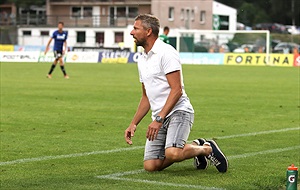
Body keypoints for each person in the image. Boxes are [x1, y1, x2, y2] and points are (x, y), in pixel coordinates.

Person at [124, 14, 228, 173]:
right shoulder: (142, 59)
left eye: (136, 28)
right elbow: (146, 97)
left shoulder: (166, 52)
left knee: (172, 153)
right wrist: (133, 123)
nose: (132, 32)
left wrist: (159, 119)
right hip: (159, 116)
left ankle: (206, 149)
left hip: (179, 112)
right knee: (151, 166)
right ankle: (195, 146)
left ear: (148, 31)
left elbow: (177, 89)